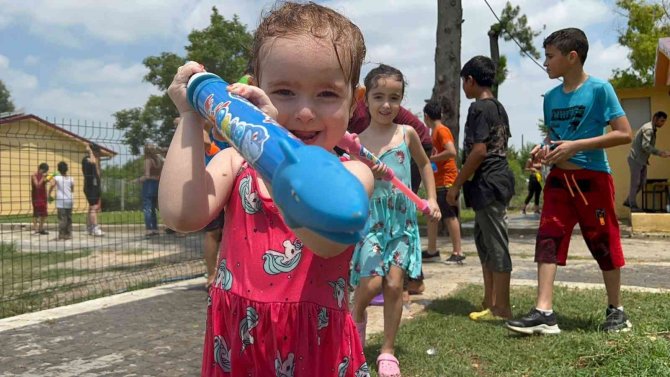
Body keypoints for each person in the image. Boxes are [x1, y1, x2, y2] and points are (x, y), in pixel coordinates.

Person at [158, 3, 373, 376]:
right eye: (285, 91)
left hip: (314, 351)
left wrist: (270, 148)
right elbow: (181, 214)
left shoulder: (352, 175)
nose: (305, 112)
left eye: (326, 94)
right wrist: (191, 113)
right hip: (239, 347)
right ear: (256, 90)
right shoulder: (234, 162)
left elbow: (326, 238)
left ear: (354, 102)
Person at [506, 28, 633, 335]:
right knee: (548, 237)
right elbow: (555, 137)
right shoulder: (549, 98)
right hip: (559, 180)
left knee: (603, 240)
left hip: (593, 180)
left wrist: (577, 146)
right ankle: (544, 312)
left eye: (550, 56)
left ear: (572, 57)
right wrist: (543, 151)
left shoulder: (601, 89)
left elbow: (624, 133)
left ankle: (617, 310)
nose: (545, 62)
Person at [350, 64, 440, 376]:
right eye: (378, 97)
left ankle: (387, 351)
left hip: (402, 221)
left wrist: (432, 199)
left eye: (394, 97)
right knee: (371, 280)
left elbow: (426, 164)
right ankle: (356, 313)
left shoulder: (408, 134)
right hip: (371, 221)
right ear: (365, 99)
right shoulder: (356, 142)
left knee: (393, 284)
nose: (386, 104)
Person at [447, 55, 515, 322]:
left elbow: (478, 152)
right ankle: (490, 301)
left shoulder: (479, 109)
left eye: (464, 82)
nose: (464, 88)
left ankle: (503, 308)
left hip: (489, 183)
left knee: (496, 245)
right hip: (493, 182)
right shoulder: (498, 107)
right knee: (485, 243)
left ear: (470, 80)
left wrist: (456, 185)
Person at [422, 100, 464, 265]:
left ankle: (457, 251)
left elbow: (451, 152)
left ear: (426, 116)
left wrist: (431, 158)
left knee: (449, 216)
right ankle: (432, 250)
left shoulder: (441, 130)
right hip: (437, 181)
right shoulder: (434, 133)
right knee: (432, 215)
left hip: (447, 181)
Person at [624, 111, 670, 212]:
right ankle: (633, 205)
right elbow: (646, 146)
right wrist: (659, 152)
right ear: (655, 118)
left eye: (664, 122)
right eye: (661, 121)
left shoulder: (652, 129)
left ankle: (628, 200)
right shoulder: (648, 129)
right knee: (635, 183)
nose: (662, 123)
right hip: (636, 159)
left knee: (642, 182)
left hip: (642, 160)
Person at [141, 142, 163, 237]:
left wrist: (137, 180)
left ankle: (149, 229)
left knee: (147, 208)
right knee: (153, 208)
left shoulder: (148, 160)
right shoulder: (158, 160)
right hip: (157, 185)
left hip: (149, 185)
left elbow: (147, 176)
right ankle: (155, 229)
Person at [82, 143, 104, 237]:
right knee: (93, 207)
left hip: (95, 187)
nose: (98, 155)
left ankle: (89, 227)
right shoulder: (86, 159)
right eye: (97, 152)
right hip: (90, 187)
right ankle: (95, 228)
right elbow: (92, 162)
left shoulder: (95, 160)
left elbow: (98, 172)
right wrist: (90, 150)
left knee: (92, 207)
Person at [49, 161, 74, 240]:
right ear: (67, 169)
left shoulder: (57, 178)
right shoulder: (71, 178)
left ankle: (61, 235)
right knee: (69, 218)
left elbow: (52, 184)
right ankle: (68, 234)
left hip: (61, 201)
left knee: (62, 218)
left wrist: (49, 193)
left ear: (59, 169)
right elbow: (72, 189)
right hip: (69, 200)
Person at [31, 162, 49, 235]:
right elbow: (37, 185)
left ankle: (41, 228)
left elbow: (45, 183)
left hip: (43, 196)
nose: (45, 172)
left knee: (44, 213)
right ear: (41, 169)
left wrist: (49, 178)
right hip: (36, 196)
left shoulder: (43, 176)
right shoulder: (34, 175)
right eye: (44, 171)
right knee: (36, 213)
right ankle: (36, 229)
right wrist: (43, 178)